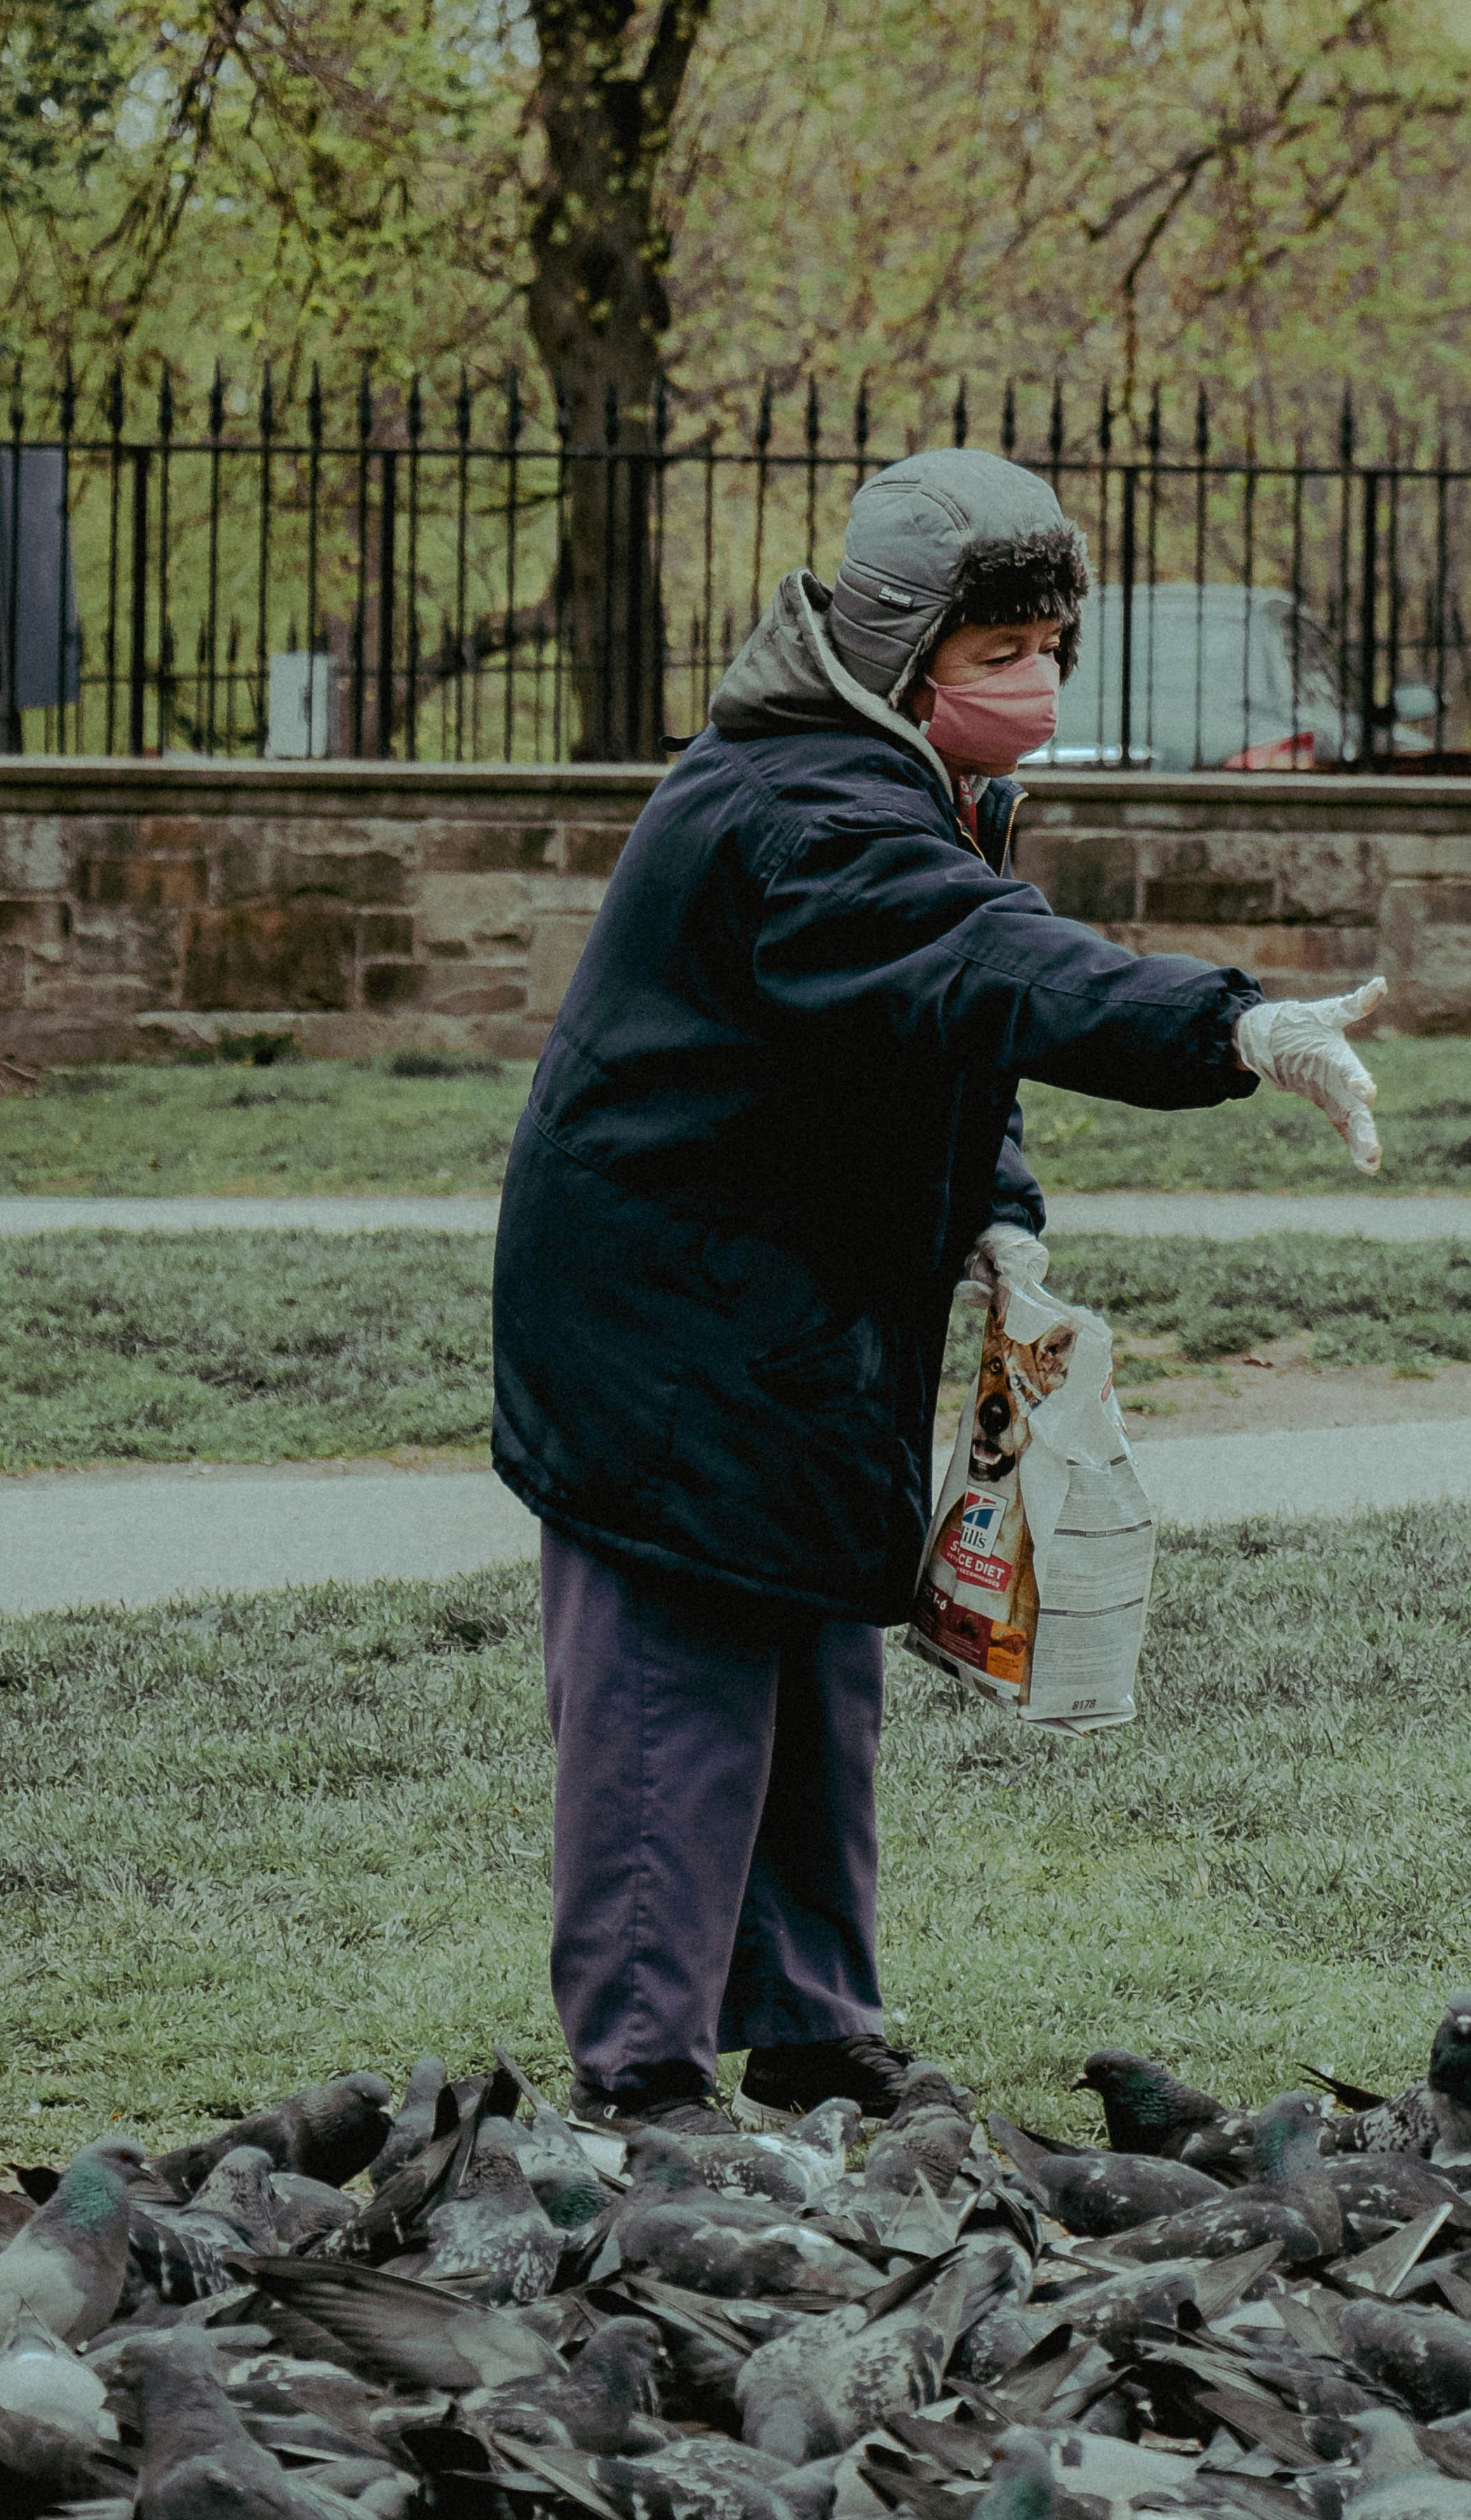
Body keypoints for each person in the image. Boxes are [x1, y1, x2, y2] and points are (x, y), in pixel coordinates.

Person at [491, 447, 1383, 2135]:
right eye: (1000, 656)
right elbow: (982, 958)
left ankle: (815, 2030)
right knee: (676, 1684)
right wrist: (1228, 1027)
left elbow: (942, 1027)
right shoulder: (802, 803)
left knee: (820, 1656)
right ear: (903, 657)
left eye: (1053, 644)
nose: (1037, 685)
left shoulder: (911, 777)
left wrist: (999, 1212)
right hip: (665, 1311)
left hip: (801, 1302)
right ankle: (641, 2076)